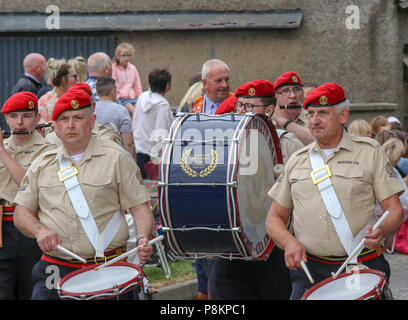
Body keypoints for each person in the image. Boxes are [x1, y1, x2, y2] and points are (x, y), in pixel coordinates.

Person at [13, 86, 154, 300]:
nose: (70, 125)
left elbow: (140, 207)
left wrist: (143, 237)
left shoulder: (117, 158)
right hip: (56, 268)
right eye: (64, 119)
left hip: (109, 267)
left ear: (92, 120)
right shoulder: (41, 164)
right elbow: (21, 213)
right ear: (54, 127)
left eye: (78, 117)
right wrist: (39, 230)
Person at [266, 82, 404, 300]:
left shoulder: (369, 152)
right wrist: (289, 242)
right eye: (310, 114)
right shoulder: (297, 160)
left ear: (343, 116)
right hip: (310, 271)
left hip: (362, 266)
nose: (314, 120)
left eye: (323, 113)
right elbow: (274, 217)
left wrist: (382, 230)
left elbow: (394, 210)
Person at [206, 79, 303, 300]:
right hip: (230, 247)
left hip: (272, 245)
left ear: (269, 110)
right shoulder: (221, 143)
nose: (241, 111)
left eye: (249, 107)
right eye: (239, 105)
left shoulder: (288, 144)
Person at [0, 92, 55, 299]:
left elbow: (28, 185)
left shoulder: (48, 150)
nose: (20, 122)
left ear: (37, 117)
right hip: (1, 228)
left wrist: (2, 152)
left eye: (26, 116)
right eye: (13, 116)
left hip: (30, 225)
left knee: (30, 286)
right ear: (6, 119)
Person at [132, 68, 173, 180]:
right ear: (167, 86)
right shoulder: (163, 105)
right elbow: (160, 133)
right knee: (152, 190)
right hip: (153, 153)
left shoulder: (142, 97)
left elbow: (134, 121)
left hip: (138, 148)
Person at [271, 71, 315, 145]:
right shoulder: (267, 121)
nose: (293, 95)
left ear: (303, 93)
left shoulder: (314, 118)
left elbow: (321, 143)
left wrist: (284, 122)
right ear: (276, 96)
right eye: (285, 90)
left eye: (297, 89)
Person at [95, 76, 135, 158]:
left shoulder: (90, 110)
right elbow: (128, 143)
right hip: (115, 159)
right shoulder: (122, 111)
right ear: (113, 92)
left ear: (97, 92)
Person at [112, 43, 143, 117]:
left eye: (128, 55)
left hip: (133, 98)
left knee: (140, 111)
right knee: (135, 113)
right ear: (118, 56)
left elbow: (137, 85)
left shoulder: (133, 68)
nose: (126, 57)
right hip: (121, 98)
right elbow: (113, 85)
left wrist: (140, 99)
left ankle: (135, 128)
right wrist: (118, 96)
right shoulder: (114, 68)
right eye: (123, 55)